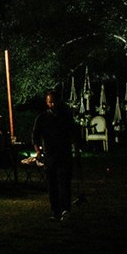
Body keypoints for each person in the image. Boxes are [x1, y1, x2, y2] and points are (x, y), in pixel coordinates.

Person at [33, 89, 78, 222]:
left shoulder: (65, 116)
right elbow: (35, 136)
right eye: (50, 102)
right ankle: (55, 210)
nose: (53, 105)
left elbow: (73, 132)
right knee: (52, 184)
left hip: (64, 154)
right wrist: (38, 151)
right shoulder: (42, 118)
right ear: (47, 103)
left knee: (64, 183)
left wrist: (75, 145)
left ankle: (65, 209)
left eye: (55, 102)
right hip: (50, 155)